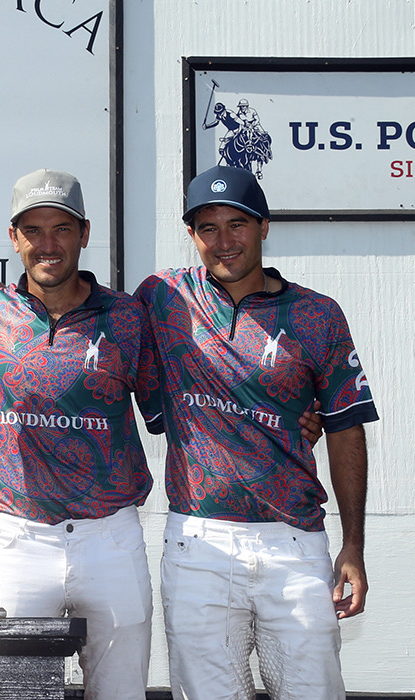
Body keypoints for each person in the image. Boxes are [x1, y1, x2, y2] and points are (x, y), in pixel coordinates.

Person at [136, 165, 378, 699]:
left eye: (237, 224)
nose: (224, 241)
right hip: (198, 540)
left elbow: (346, 429)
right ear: (192, 234)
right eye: (208, 227)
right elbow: (92, 321)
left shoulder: (317, 314)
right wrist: (1, 293)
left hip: (294, 541)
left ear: (264, 226)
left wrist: (353, 546)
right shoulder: (162, 296)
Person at [0, 169, 165, 699]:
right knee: (11, 692)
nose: (48, 244)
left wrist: (297, 418)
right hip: (17, 538)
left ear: (85, 234)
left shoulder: (127, 317)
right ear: (13, 238)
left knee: (121, 692)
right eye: (33, 230)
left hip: (111, 537)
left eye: (61, 229)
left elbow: (176, 406)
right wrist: (1, 430)